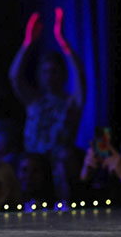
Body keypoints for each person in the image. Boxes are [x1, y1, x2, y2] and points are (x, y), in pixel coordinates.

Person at [9, 8, 86, 157]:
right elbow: (14, 77)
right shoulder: (35, 101)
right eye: (45, 72)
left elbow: (81, 75)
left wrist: (64, 43)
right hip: (33, 167)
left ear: (63, 74)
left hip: (59, 169)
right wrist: (28, 43)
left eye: (54, 71)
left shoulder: (71, 104)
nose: (49, 76)